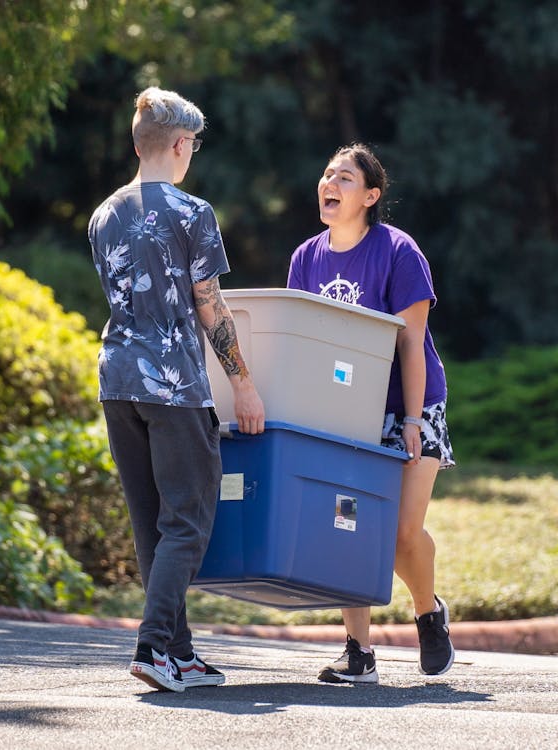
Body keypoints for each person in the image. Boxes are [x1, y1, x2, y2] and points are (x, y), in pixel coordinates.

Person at [88, 86, 265, 693]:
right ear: (181, 144)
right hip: (174, 385)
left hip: (116, 379)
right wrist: (243, 384)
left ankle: (181, 654)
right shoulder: (194, 214)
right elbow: (209, 306)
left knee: (151, 526)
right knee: (188, 519)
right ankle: (153, 645)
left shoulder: (103, 213)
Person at [287, 143, 456, 683]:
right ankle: (358, 652)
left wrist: (410, 421)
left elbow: (412, 345)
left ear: (370, 195)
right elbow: (301, 342)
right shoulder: (305, 258)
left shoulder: (399, 252)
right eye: (327, 172)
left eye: (344, 177)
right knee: (347, 527)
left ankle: (428, 613)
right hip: (340, 410)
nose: (329, 182)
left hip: (409, 402)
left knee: (403, 533)